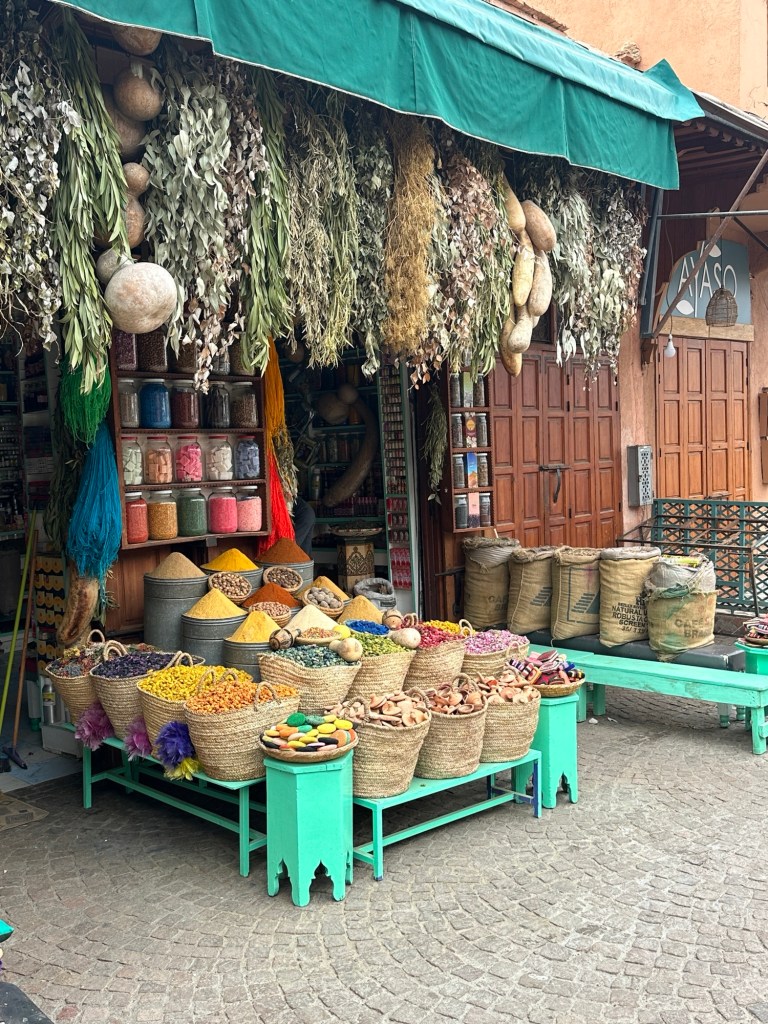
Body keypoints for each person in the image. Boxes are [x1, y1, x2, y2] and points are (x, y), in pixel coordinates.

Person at [291, 495, 315, 559]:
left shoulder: (305, 513)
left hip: (304, 514)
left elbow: (292, 544)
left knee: (291, 546)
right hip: (304, 513)